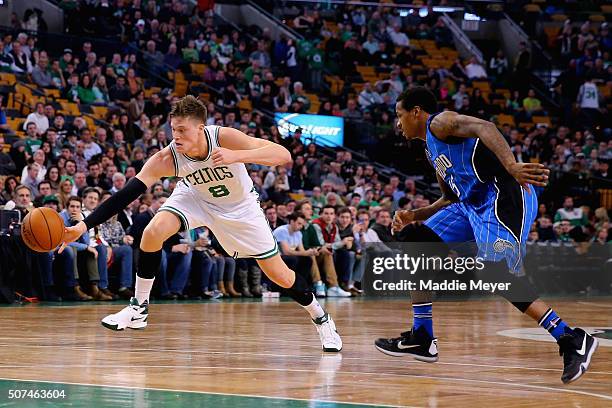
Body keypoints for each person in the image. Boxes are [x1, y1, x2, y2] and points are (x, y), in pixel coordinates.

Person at [61, 95, 342, 352]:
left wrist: (237, 156)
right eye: (173, 129)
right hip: (194, 197)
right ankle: (138, 307)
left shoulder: (225, 137)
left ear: (200, 128)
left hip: (239, 208)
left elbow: (284, 155)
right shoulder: (166, 158)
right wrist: (82, 226)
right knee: (152, 231)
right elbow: (125, 195)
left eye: (182, 130)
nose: (176, 135)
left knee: (279, 275)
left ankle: (321, 317)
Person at [374, 87, 597, 384]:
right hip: (470, 203)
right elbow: (449, 197)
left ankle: (570, 338)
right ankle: (422, 336)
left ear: (416, 112)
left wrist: (512, 165)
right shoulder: (430, 148)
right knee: (418, 241)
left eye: (400, 115)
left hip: (502, 193)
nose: (398, 124)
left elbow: (485, 126)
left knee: (496, 273)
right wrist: (413, 215)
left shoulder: (440, 123)